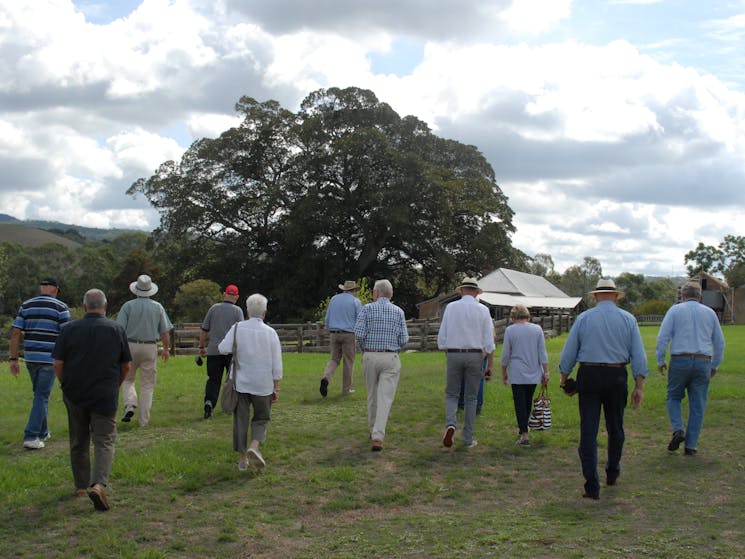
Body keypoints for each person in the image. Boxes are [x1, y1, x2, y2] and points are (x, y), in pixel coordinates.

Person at [559, 278, 647, 500]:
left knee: (588, 429)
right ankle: (612, 471)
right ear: (616, 296)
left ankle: (592, 484)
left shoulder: (584, 318)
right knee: (615, 427)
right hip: (616, 374)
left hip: (588, 374)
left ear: (596, 296)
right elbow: (638, 354)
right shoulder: (628, 319)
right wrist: (639, 386)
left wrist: (564, 377)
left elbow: (570, 351)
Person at [52, 289, 132, 511]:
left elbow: (58, 363)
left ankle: (80, 484)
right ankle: (98, 484)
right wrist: (115, 384)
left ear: (84, 306)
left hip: (75, 392)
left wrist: (65, 384)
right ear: (105, 306)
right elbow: (126, 365)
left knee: (78, 439)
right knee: (104, 440)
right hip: (105, 392)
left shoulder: (68, 329)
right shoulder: (116, 329)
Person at [656, 281, 725, 456]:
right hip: (703, 361)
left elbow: (663, 337)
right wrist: (715, 365)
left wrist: (661, 359)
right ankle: (691, 445)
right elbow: (719, 343)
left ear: (683, 296)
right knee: (698, 404)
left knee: (673, 396)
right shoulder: (710, 313)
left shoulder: (675, 310)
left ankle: (678, 429)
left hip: (680, 359)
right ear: (700, 297)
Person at [218, 293, 282, 470]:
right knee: (262, 417)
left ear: (247, 310)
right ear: (264, 312)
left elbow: (222, 348)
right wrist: (276, 387)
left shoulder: (238, 328)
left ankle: (243, 459)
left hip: (241, 382)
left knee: (241, 419)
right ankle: (254, 445)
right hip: (263, 384)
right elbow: (277, 363)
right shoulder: (271, 333)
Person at [9, 278, 71, 450]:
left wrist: (13, 359)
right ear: (56, 289)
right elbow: (67, 335)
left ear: (42, 288)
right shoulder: (61, 307)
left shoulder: (26, 305)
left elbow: (15, 333)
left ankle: (43, 432)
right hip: (50, 358)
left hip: (31, 358)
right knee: (42, 396)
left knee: (39, 394)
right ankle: (31, 435)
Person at [437, 277, 495, 449]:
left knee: (452, 394)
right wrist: (486, 356)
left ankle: (450, 424)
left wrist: (447, 351)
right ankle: (468, 438)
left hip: (454, 353)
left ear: (461, 291)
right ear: (477, 292)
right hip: (475, 355)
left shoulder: (450, 308)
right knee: (471, 398)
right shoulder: (483, 310)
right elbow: (488, 340)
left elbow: (443, 336)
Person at [354, 279, 409, 451]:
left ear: (376, 293)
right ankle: (378, 435)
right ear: (390, 294)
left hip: (370, 355)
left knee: (372, 395)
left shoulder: (367, 309)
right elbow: (404, 339)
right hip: (390, 356)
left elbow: (359, 334)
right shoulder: (398, 311)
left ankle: (373, 429)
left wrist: (365, 350)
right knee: (385, 398)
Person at [116, 274, 173, 427]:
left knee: (128, 379)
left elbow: (119, 329)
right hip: (149, 346)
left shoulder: (128, 306)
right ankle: (143, 421)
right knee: (147, 385)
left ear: (136, 290)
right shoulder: (157, 307)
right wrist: (166, 349)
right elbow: (164, 332)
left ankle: (129, 404)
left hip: (130, 345)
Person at [501, 304, 549, 446]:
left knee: (519, 404)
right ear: (527, 316)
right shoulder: (537, 329)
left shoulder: (510, 330)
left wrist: (504, 372)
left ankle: (524, 435)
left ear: (513, 316)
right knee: (527, 402)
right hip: (534, 371)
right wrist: (546, 371)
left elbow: (505, 354)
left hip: (517, 372)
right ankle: (524, 428)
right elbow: (542, 352)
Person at [198, 284, 244, 419]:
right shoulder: (238, 311)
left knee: (213, 380)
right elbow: (241, 332)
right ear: (236, 296)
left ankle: (209, 402)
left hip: (213, 351)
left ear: (224, 294)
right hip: (231, 352)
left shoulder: (213, 308)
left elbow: (204, 330)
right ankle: (232, 405)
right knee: (232, 380)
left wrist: (201, 347)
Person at [319, 280, 362, 397]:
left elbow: (327, 318)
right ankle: (346, 390)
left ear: (344, 289)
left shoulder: (334, 299)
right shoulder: (355, 301)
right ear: (353, 290)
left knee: (334, 359)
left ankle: (326, 378)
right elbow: (360, 320)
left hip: (334, 333)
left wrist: (330, 330)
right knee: (348, 361)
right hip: (349, 334)